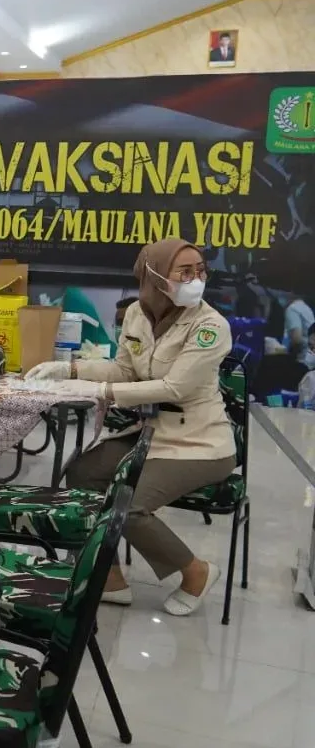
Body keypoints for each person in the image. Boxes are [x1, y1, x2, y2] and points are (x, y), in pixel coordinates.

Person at [26, 237, 235, 616]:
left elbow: (175, 387)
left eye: (201, 270)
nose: (196, 279)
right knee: (83, 472)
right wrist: (69, 367)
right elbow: (123, 369)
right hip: (151, 433)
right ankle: (110, 578)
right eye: (185, 272)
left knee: (132, 506)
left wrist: (103, 391)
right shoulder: (138, 313)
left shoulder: (210, 326)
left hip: (200, 443)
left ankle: (196, 573)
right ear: (153, 275)